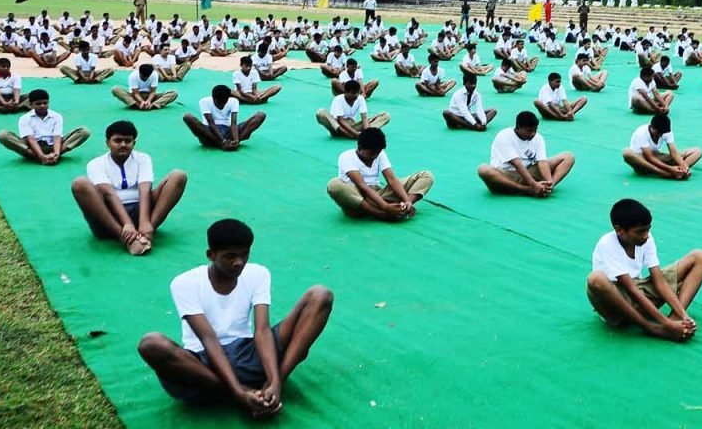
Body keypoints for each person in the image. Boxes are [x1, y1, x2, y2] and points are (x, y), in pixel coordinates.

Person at [137, 219, 332, 417]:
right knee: (151, 344)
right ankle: (239, 392)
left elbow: (262, 330)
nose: (239, 262)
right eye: (230, 256)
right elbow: (208, 338)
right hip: (203, 364)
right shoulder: (184, 283)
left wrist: (274, 381)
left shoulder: (258, 273)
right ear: (211, 255)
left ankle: (270, 389)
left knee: (320, 295)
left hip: (248, 353)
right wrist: (239, 391)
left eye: (244, 254)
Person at [585, 198, 702, 341]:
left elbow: (659, 281)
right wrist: (664, 324)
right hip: (616, 305)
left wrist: (682, 315)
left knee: (700, 257)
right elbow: (631, 290)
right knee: (595, 279)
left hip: (639, 291)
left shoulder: (646, 238)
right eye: (640, 232)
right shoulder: (607, 244)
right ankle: (651, 328)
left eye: (648, 229)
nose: (646, 235)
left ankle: (676, 319)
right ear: (619, 230)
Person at [70, 120, 186, 254]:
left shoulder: (143, 158)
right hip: (108, 218)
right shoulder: (96, 163)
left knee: (178, 176)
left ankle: (145, 234)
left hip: (140, 212)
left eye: (128, 141)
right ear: (107, 143)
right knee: (80, 183)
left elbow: (145, 190)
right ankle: (127, 240)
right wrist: (127, 224)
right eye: (117, 141)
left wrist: (145, 222)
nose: (123, 145)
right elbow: (109, 194)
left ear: (134, 143)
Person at [326, 127, 434, 220]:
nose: (375, 156)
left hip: (379, 194)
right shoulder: (346, 157)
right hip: (357, 200)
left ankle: (403, 208)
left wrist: (407, 201)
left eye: (377, 153)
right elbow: (362, 186)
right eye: (371, 153)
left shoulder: (379, 153)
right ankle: (380, 214)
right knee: (334, 184)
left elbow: (392, 180)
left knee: (427, 176)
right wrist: (385, 207)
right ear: (360, 148)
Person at [476, 111, 575, 197]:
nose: (533, 134)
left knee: (568, 157)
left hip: (528, 172)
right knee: (483, 169)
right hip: (505, 176)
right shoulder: (504, 136)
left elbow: (542, 162)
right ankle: (526, 189)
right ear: (518, 128)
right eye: (529, 131)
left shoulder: (538, 138)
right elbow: (517, 164)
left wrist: (549, 183)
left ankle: (547, 188)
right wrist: (533, 185)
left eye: (535, 130)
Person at [0, 89, 90, 164]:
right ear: (30, 104)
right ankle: (39, 157)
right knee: (3, 135)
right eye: (38, 104)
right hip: (31, 149)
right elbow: (31, 139)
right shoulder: (25, 118)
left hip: (53, 146)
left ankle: (52, 157)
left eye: (45, 103)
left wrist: (56, 153)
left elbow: (57, 137)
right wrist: (41, 155)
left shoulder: (56, 116)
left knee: (84, 131)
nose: (42, 106)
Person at [182, 85, 266, 151]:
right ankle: (221, 144)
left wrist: (236, 140)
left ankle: (232, 143)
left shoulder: (233, 101)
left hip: (228, 131)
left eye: (224, 102)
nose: (222, 105)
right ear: (213, 98)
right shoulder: (204, 101)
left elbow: (233, 123)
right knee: (187, 117)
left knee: (260, 115)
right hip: (210, 133)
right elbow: (211, 123)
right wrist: (222, 141)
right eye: (219, 103)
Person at [622, 114, 702, 180]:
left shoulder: (665, 131)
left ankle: (679, 172)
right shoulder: (641, 133)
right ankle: (664, 173)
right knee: (627, 153)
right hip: (643, 162)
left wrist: (685, 168)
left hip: (657, 157)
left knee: (697, 151)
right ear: (652, 127)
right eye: (658, 132)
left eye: (662, 133)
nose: (660, 135)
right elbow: (649, 158)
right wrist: (670, 168)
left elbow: (674, 153)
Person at [315, 80, 390, 139]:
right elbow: (341, 120)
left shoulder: (360, 98)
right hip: (337, 127)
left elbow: (364, 118)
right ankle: (348, 134)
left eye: (357, 93)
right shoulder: (338, 99)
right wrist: (355, 134)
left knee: (386, 115)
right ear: (346, 92)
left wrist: (366, 132)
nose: (356, 95)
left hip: (353, 125)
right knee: (321, 112)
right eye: (353, 93)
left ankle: (365, 134)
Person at [112, 64, 179, 111]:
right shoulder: (133, 75)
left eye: (147, 77)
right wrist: (141, 102)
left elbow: (153, 91)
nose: (145, 79)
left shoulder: (154, 74)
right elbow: (135, 93)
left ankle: (152, 105)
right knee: (115, 89)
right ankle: (137, 105)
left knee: (174, 93)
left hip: (150, 96)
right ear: (140, 73)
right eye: (143, 77)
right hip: (135, 97)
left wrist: (148, 101)